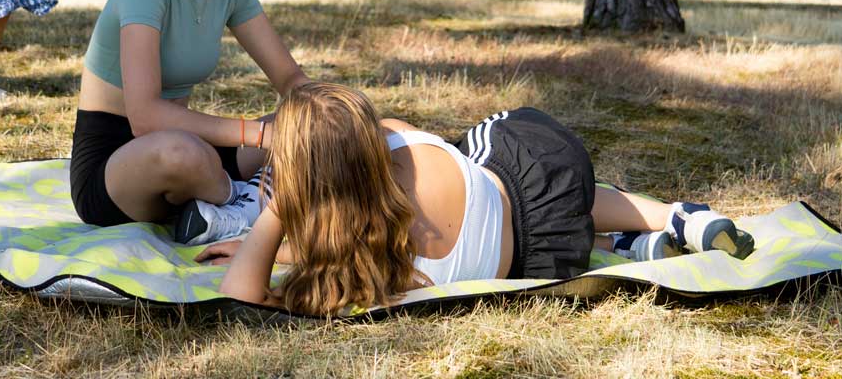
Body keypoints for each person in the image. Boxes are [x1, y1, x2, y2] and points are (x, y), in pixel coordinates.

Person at [205, 83, 754, 315]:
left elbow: (241, 295)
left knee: (514, 190)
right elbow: (371, 191)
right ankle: (673, 218)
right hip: (541, 188)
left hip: (532, 261)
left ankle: (629, 245)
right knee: (501, 168)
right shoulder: (397, 136)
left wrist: (275, 227)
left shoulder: (359, 265)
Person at [69, 0, 309, 239]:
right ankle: (249, 203)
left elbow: (289, 76)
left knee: (300, 124)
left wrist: (332, 114)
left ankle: (234, 205)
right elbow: (145, 117)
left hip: (201, 155)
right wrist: (259, 136)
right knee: (184, 152)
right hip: (121, 167)